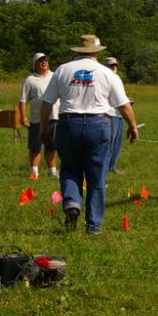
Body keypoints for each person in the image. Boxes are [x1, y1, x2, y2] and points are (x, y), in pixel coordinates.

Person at [38, 35, 139, 235]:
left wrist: (43, 127)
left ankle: (72, 203)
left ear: (78, 51)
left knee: (69, 169)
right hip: (98, 124)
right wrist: (132, 126)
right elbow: (123, 105)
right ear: (96, 52)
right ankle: (93, 225)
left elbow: (47, 102)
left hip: (68, 123)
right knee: (97, 175)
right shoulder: (107, 73)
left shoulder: (62, 70)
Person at [19, 53, 59, 178]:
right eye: (40, 61)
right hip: (37, 118)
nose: (44, 62)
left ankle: (52, 171)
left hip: (54, 117)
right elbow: (23, 99)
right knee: (36, 146)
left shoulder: (55, 76)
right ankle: (34, 172)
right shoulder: (30, 80)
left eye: (45, 60)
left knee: (52, 146)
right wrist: (23, 116)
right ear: (35, 64)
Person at [103, 56, 124, 174]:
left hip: (120, 113)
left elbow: (120, 95)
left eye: (115, 65)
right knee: (109, 141)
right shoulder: (104, 77)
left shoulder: (117, 78)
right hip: (110, 112)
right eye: (111, 65)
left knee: (117, 142)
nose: (113, 67)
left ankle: (112, 165)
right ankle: (105, 166)